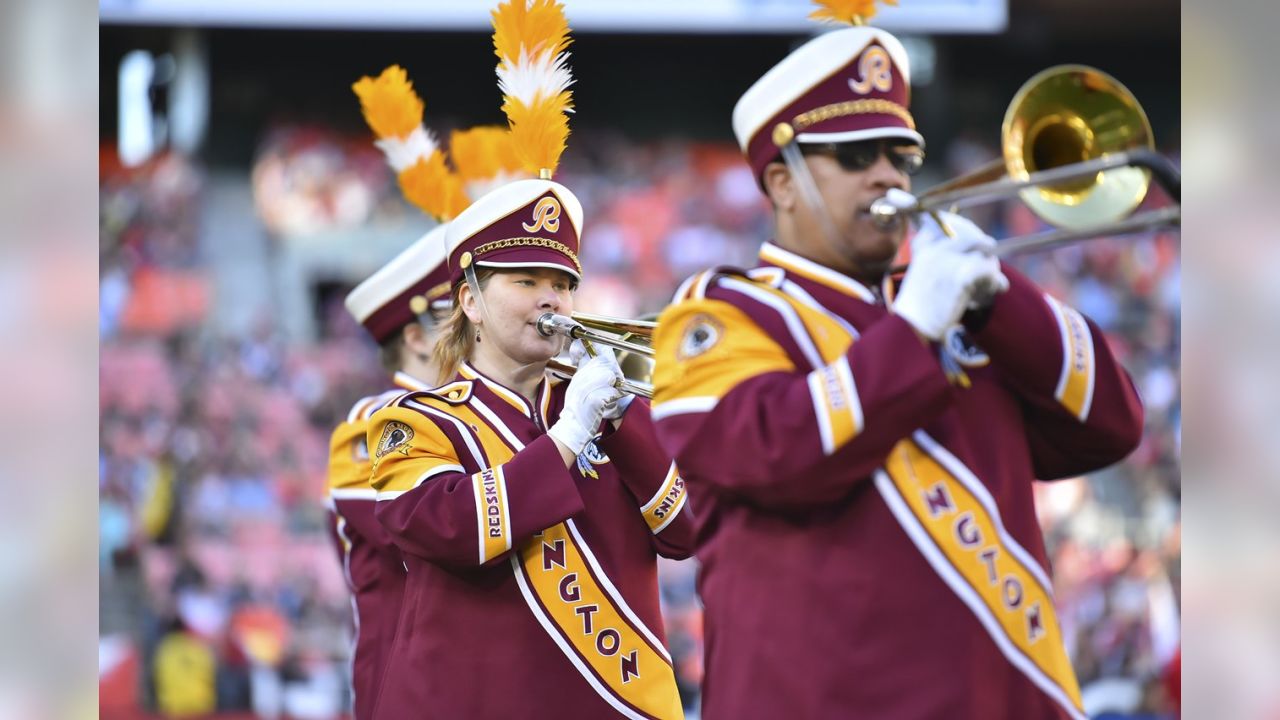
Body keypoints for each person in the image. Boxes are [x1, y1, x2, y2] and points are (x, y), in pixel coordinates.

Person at [648, 5, 1146, 719]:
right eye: (855, 157)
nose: (887, 176)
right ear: (782, 182)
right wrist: (913, 330)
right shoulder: (720, 314)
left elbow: (1113, 424)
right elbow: (775, 453)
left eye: (900, 157)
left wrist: (1005, 301)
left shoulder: (961, 309)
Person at [364, 2, 692, 716]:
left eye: (564, 284)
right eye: (528, 283)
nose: (554, 300)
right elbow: (447, 530)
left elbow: (686, 531)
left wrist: (622, 416)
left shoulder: (608, 415)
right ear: (472, 302)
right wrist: (567, 439)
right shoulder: (410, 424)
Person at [325, 224, 452, 720]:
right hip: (404, 682)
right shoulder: (372, 422)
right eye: (456, 318)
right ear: (417, 338)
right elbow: (420, 529)